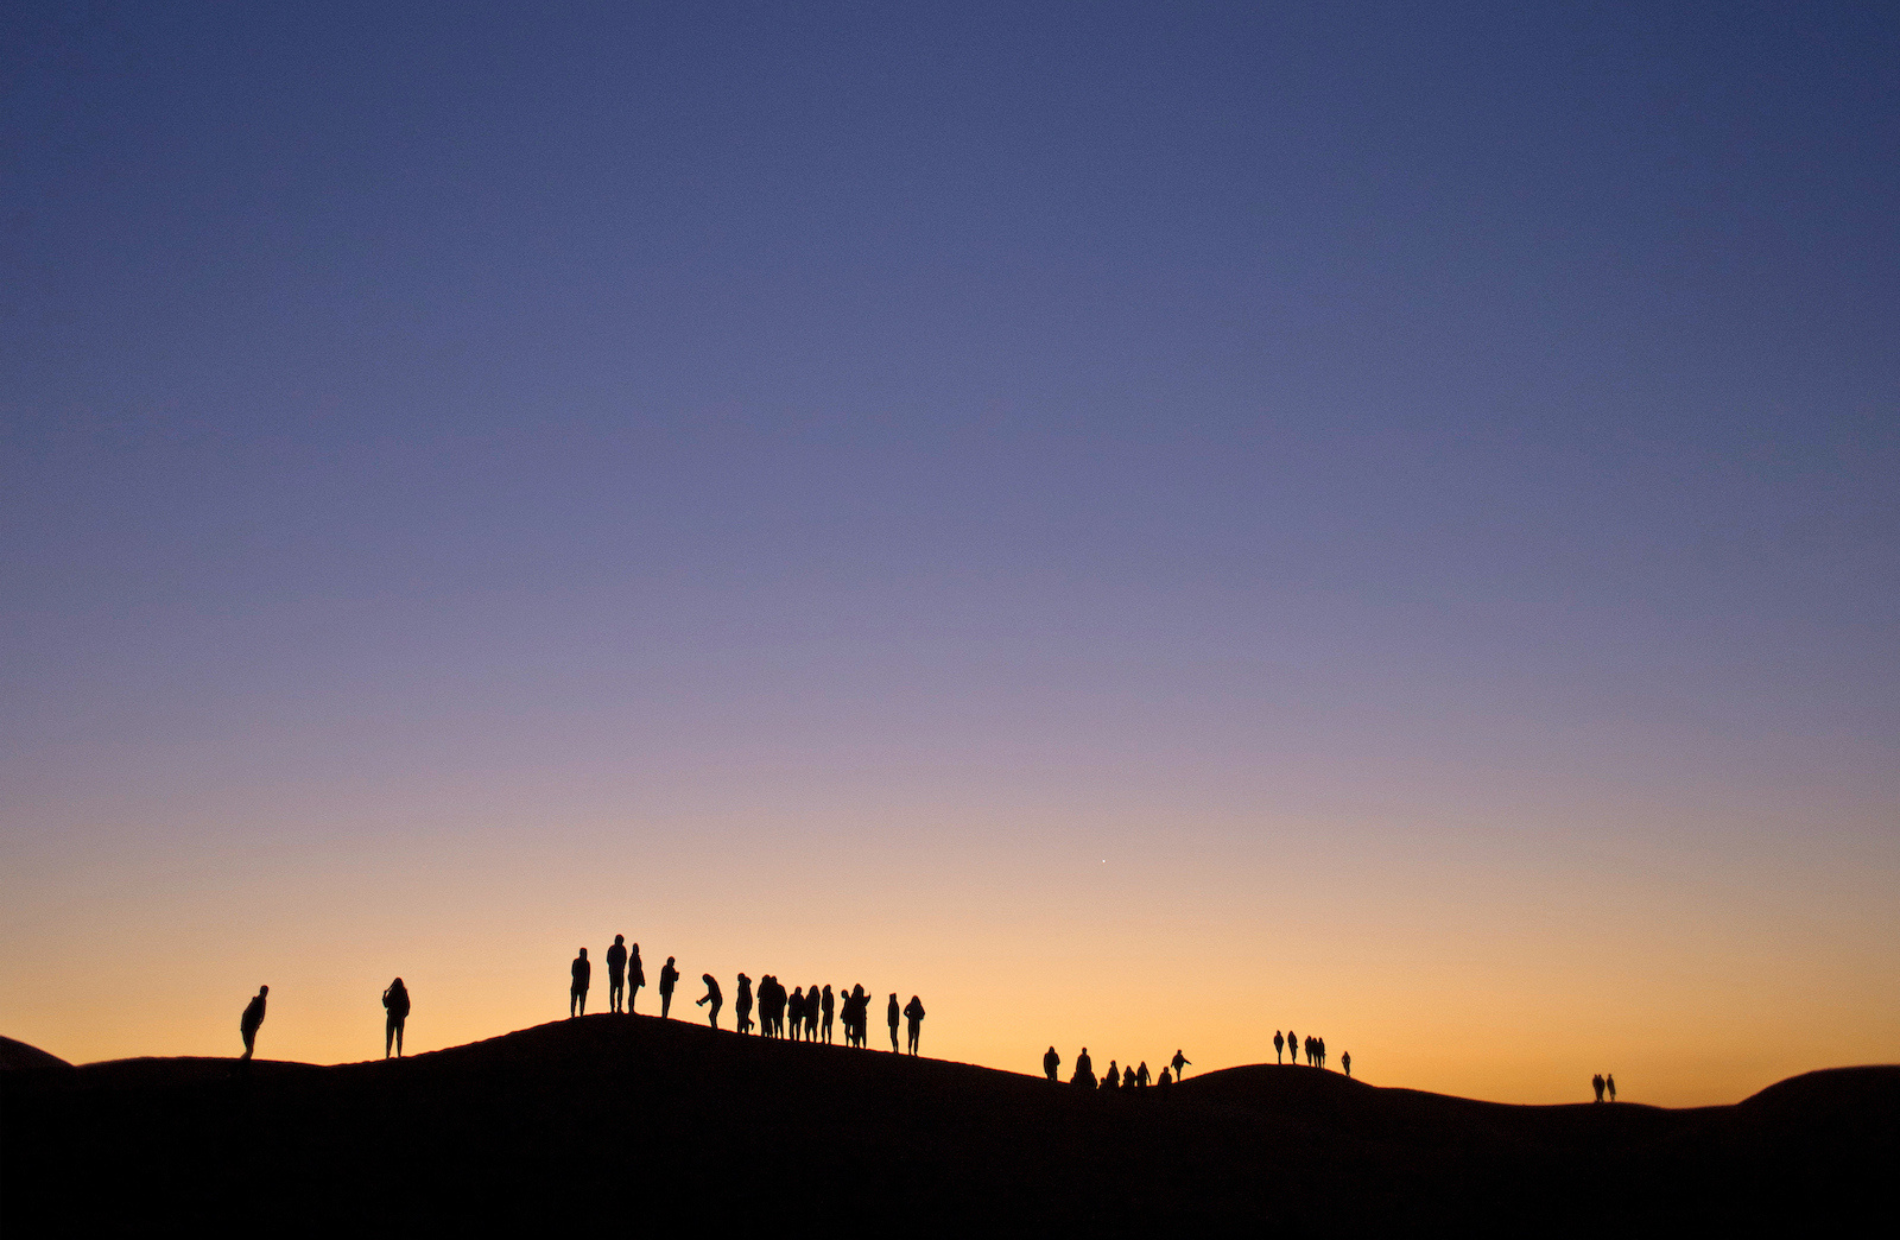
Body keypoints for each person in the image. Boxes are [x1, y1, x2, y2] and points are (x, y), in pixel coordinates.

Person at [382, 977, 410, 1059]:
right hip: (399, 1018)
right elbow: (407, 1005)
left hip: (392, 1017)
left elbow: (386, 1004)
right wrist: (404, 1015)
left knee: (390, 1037)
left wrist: (384, 995)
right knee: (399, 1037)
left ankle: (388, 1055)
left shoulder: (392, 993)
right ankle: (398, 1054)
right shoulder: (403, 993)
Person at [239, 985, 268, 1060]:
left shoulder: (258, 1001)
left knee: (249, 1049)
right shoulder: (259, 1001)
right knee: (250, 1049)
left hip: (249, 1025)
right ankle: (241, 1065)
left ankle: (242, 1064)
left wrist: (257, 1025)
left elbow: (261, 1016)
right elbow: (261, 1015)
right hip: (249, 1025)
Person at [606, 935, 628, 1014]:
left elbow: (625, 959)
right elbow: (608, 959)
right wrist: (614, 966)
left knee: (620, 990)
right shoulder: (612, 949)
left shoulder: (623, 949)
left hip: (620, 972)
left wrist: (621, 967)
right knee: (613, 990)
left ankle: (619, 1007)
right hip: (614, 972)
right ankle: (612, 1007)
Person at [570, 948, 591, 1018]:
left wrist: (587, 983)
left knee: (581, 1000)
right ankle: (574, 1014)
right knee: (575, 1000)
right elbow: (573, 972)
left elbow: (588, 974)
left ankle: (580, 1013)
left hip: (581, 984)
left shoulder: (586, 963)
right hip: (577, 984)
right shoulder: (578, 962)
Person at [627, 943, 645, 1013]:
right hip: (634, 976)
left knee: (633, 993)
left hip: (635, 976)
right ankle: (631, 1009)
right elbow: (637, 968)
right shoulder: (634, 958)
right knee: (632, 993)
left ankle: (631, 1008)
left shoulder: (634, 957)